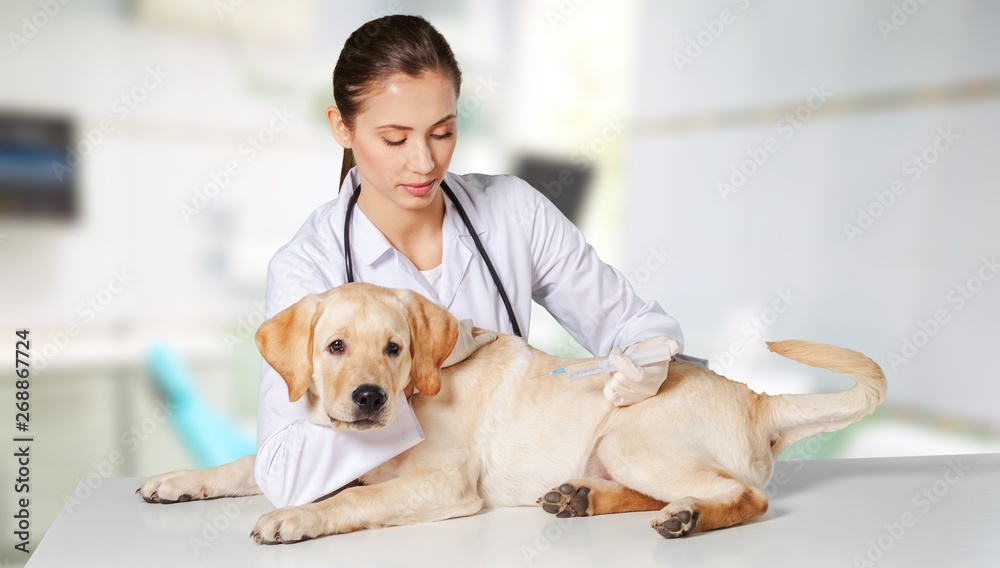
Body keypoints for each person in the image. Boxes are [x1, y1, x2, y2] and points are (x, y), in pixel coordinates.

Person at [255, 14, 698, 509]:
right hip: (396, 527)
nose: (424, 162)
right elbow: (284, 473)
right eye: (395, 139)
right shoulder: (309, 266)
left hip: (517, 513)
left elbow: (634, 323)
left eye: (441, 132)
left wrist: (648, 355)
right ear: (342, 126)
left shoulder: (514, 211)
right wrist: (419, 376)